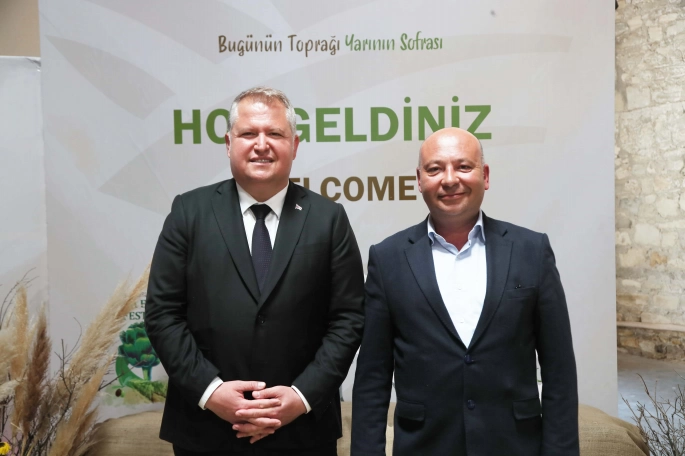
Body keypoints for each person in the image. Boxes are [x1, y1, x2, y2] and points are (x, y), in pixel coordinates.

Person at [145, 86, 365, 456]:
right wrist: (211, 392)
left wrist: (301, 396)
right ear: (229, 143)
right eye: (249, 133)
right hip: (207, 430)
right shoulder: (189, 212)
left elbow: (349, 318)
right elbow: (163, 313)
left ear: (294, 145)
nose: (262, 145)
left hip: (302, 432)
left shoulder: (329, 219)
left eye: (275, 133)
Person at [351, 128, 578, 455]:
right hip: (424, 447)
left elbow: (560, 371)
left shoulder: (531, 251)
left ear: (485, 176)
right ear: (419, 180)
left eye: (463, 167)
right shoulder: (388, 259)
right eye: (435, 169)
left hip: (514, 446)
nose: (449, 179)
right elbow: (372, 379)